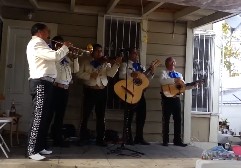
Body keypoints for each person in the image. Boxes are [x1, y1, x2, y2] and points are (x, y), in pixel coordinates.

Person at [26, 23, 72, 160]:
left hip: (46, 83)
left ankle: (39, 147)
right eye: (47, 31)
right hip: (40, 82)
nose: (49, 34)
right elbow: (55, 57)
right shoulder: (36, 43)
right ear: (39, 32)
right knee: (38, 116)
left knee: (43, 117)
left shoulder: (42, 44)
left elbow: (53, 59)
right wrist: (65, 47)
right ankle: (31, 150)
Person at [77, 43, 122, 146]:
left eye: (101, 51)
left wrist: (116, 64)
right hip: (90, 90)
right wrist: (89, 75)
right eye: (97, 51)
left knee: (101, 116)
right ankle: (82, 138)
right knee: (85, 115)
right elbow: (78, 74)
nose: (100, 53)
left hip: (102, 90)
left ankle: (100, 139)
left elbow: (110, 74)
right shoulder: (85, 61)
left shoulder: (105, 62)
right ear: (92, 51)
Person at [118, 48, 156, 145]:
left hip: (140, 93)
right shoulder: (125, 64)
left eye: (137, 53)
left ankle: (139, 137)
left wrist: (151, 72)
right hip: (130, 93)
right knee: (129, 117)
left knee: (141, 116)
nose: (137, 55)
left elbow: (146, 79)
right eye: (135, 53)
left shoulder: (141, 66)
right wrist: (131, 74)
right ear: (130, 54)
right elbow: (121, 76)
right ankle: (128, 138)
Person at [48, 35, 79, 147]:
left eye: (63, 44)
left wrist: (75, 57)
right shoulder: (53, 56)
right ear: (55, 45)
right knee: (50, 114)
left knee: (60, 116)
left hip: (65, 89)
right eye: (60, 44)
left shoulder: (67, 58)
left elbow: (75, 70)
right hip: (55, 88)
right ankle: (45, 138)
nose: (62, 46)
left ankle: (57, 138)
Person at [159, 57, 197, 147]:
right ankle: (165, 140)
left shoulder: (179, 75)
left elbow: (183, 87)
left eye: (174, 63)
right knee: (166, 119)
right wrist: (174, 80)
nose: (173, 64)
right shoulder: (163, 73)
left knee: (178, 119)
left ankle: (177, 140)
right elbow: (161, 81)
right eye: (170, 63)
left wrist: (193, 86)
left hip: (176, 98)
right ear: (166, 64)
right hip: (166, 98)